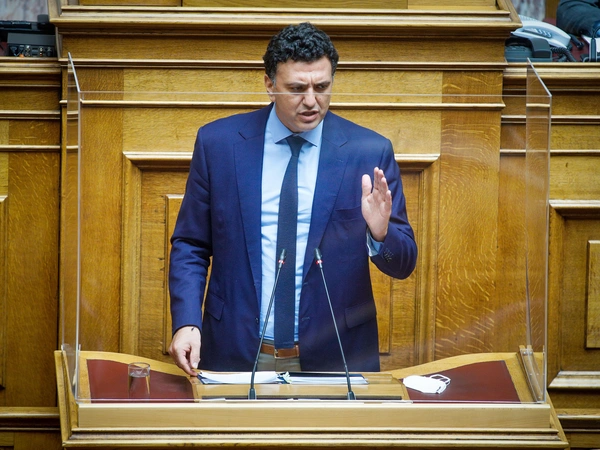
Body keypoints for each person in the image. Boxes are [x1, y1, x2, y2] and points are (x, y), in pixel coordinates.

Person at [168, 22, 417, 376]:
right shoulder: (219, 145)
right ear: (269, 84)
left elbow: (403, 264)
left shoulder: (369, 152)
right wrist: (186, 322)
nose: (311, 101)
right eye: (297, 89)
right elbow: (191, 244)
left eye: (322, 87)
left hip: (336, 359)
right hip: (236, 352)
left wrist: (380, 235)